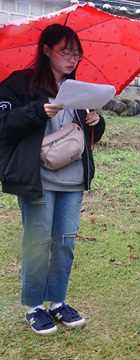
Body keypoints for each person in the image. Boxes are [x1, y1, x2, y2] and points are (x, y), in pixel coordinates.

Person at [0, 24, 106, 335]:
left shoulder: (80, 89)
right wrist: (37, 111)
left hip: (73, 179)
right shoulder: (21, 83)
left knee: (64, 243)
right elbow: (3, 123)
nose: (73, 58)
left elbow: (89, 136)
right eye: (66, 51)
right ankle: (34, 306)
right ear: (47, 50)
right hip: (39, 178)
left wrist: (96, 123)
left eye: (77, 53)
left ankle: (58, 302)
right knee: (38, 241)